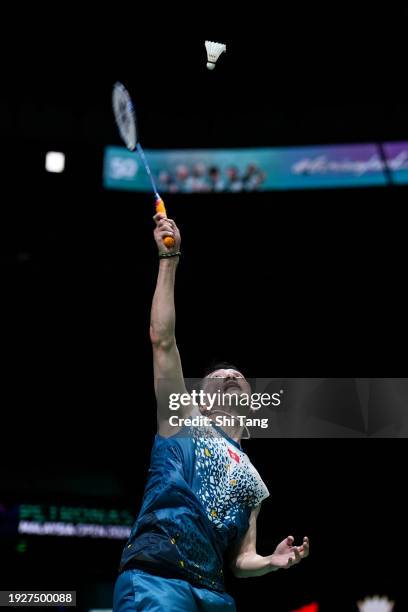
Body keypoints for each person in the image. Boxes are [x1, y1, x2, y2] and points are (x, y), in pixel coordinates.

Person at [113, 214, 310, 611]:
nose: (232, 376)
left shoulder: (255, 482)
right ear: (199, 399)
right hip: (158, 578)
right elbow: (162, 340)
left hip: (214, 595)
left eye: (237, 376)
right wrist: (169, 260)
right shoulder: (184, 419)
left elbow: (241, 558)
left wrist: (270, 562)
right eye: (220, 378)